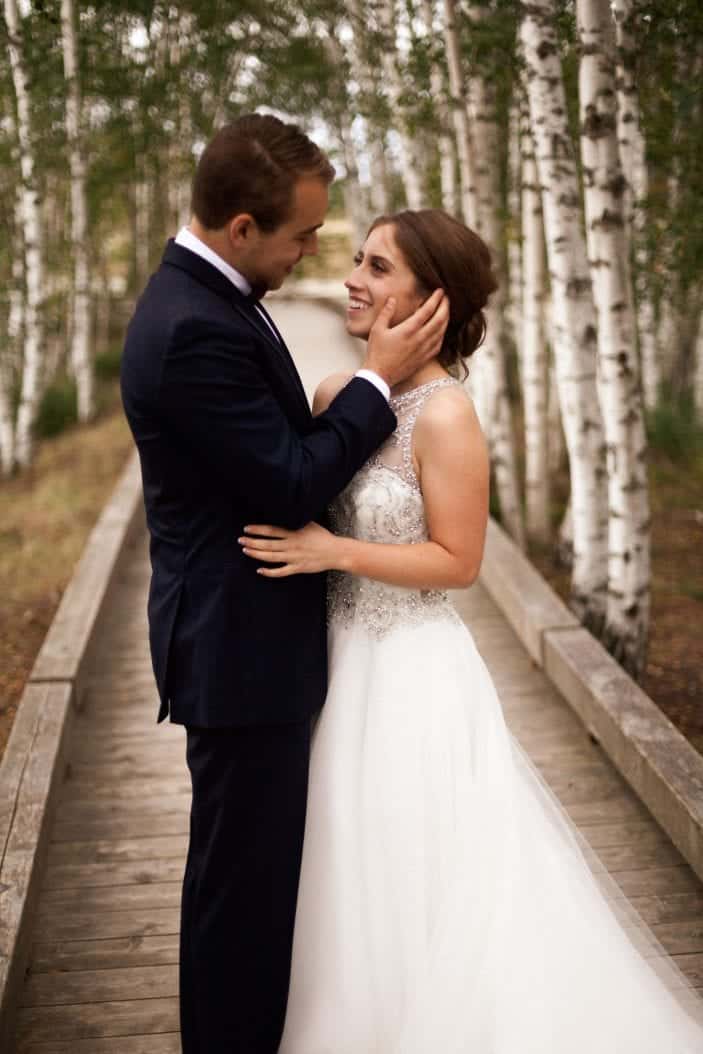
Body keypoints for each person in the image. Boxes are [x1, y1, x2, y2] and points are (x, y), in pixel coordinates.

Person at [240, 208, 703, 1052]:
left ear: (431, 301)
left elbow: (458, 561)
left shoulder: (446, 416)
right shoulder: (335, 395)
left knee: (414, 863)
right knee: (343, 868)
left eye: (377, 268)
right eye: (357, 261)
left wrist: (330, 549)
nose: (352, 278)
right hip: (331, 663)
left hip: (412, 671)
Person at [120, 116, 449, 1054]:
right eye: (302, 235)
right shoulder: (190, 327)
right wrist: (376, 383)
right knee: (240, 896)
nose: (315, 251)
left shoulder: (211, 295)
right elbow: (290, 482)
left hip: (247, 642)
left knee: (249, 887)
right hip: (237, 651)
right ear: (239, 228)